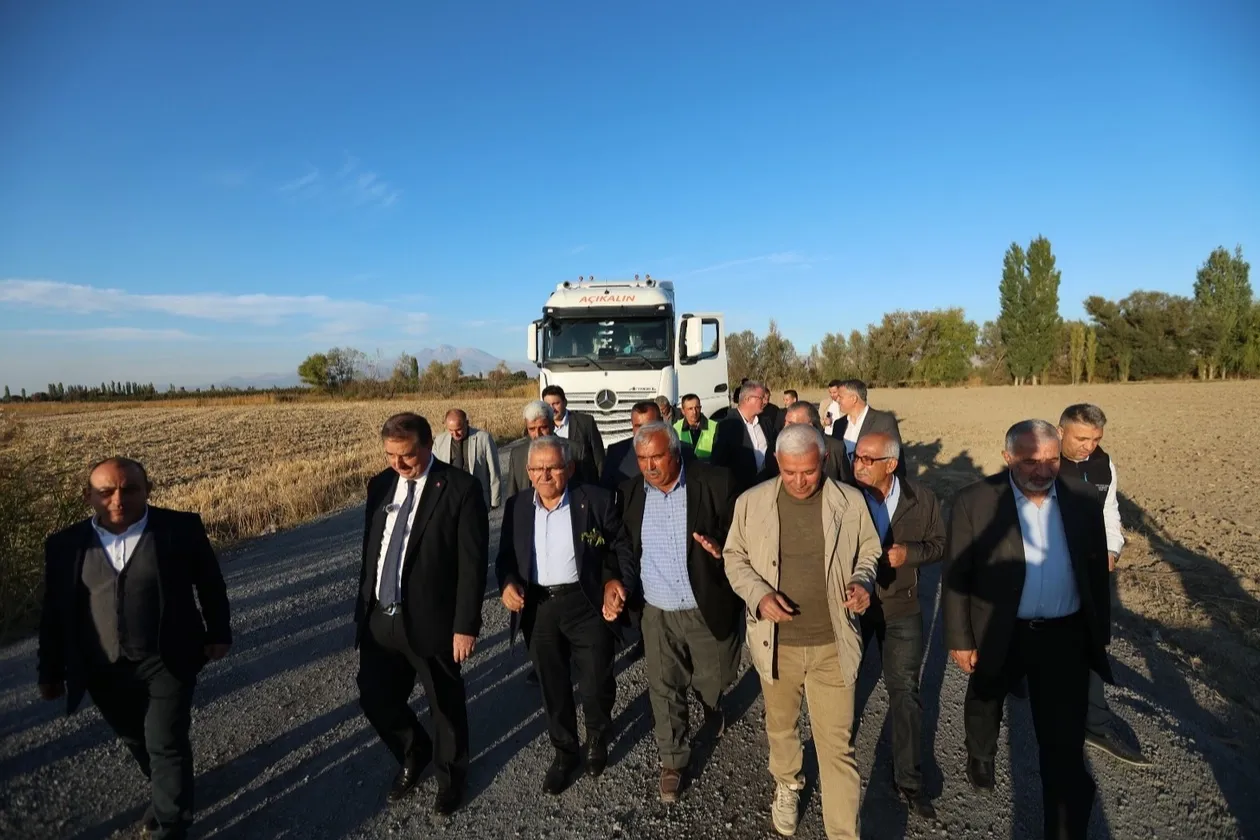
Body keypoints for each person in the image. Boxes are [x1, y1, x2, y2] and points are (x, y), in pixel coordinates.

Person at [37, 457, 231, 840]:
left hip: (167, 659)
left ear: (148, 491)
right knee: (135, 739)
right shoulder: (64, 545)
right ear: (88, 496)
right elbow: (54, 613)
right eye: (106, 492)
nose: (118, 500)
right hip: (101, 667)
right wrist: (50, 670)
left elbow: (210, 583)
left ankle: (172, 825)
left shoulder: (179, 529)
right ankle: (168, 791)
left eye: (129, 489)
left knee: (165, 740)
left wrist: (218, 632)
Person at [944, 420, 1112, 840]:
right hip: (1001, 629)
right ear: (1007, 458)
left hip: (1064, 638)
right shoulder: (974, 502)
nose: (1042, 470)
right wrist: (961, 638)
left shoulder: (1083, 499)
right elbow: (957, 573)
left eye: (1051, 460)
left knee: (1062, 748)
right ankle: (981, 751)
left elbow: (1095, 573)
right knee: (985, 696)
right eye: (1030, 461)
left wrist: (1099, 633)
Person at [723, 424, 881, 840]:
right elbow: (734, 557)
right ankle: (789, 783)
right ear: (777, 461)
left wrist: (862, 581)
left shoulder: (849, 501)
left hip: (833, 646)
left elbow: (869, 550)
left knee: (838, 747)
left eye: (808, 471)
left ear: (824, 460)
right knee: (781, 728)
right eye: (789, 471)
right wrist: (759, 595)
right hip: (777, 646)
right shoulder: (751, 503)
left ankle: (843, 833)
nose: (799, 481)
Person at [354, 413, 488, 815]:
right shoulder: (380, 485)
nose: (398, 464)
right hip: (381, 616)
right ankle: (415, 751)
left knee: (444, 704)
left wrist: (465, 625)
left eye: (407, 455)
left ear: (428, 445)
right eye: (390, 455)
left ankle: (451, 777)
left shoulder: (460, 488)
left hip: (433, 620)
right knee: (375, 697)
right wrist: (364, 607)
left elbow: (472, 565)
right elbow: (373, 550)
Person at [604, 422, 741, 803]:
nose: (649, 466)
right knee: (664, 686)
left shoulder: (714, 483)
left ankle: (710, 701)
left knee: (717, 676)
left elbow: (742, 532)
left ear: (676, 454)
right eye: (642, 458)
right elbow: (621, 548)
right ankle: (673, 759)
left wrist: (722, 549)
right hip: (657, 610)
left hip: (704, 606)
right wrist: (614, 581)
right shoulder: (630, 494)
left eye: (657, 457)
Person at [495, 437, 624, 794]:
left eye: (552, 467)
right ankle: (565, 753)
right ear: (528, 471)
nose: (545, 475)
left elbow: (617, 547)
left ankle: (597, 736)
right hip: (539, 606)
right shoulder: (517, 506)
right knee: (552, 685)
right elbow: (505, 558)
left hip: (585, 603)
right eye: (537, 468)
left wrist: (612, 579)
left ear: (569, 468)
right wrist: (507, 583)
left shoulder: (594, 499)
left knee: (596, 680)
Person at [851, 432, 944, 820]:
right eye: (856, 457)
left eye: (867, 459)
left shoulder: (922, 499)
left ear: (890, 464)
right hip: (854, 607)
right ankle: (833, 753)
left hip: (901, 608)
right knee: (842, 682)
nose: (858, 465)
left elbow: (940, 544)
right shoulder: (846, 496)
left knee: (905, 692)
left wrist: (911, 553)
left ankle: (908, 780)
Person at [1057, 403, 1149, 766]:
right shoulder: (1042, 461)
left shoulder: (1103, 464)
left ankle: (1094, 723)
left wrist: (1113, 548)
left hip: (1092, 568)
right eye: (1081, 438)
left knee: (1091, 642)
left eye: (1095, 439)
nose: (1088, 446)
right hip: (1048, 568)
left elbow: (1109, 511)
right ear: (1060, 431)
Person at [759, 401, 853, 485]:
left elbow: (846, 484)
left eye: (791, 423)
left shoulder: (835, 448)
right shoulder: (775, 448)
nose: (785, 427)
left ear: (809, 426)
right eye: (785, 422)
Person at [829, 380, 906, 478]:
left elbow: (897, 461)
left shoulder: (884, 422)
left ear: (853, 399)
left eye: (841, 397)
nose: (837, 400)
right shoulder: (838, 424)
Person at [711, 380, 776, 492]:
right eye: (761, 398)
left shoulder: (766, 422)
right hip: (741, 491)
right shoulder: (727, 426)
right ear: (747, 399)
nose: (765, 401)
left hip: (767, 487)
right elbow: (719, 463)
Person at [432, 408, 502, 511]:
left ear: (467, 423)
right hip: (450, 499)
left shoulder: (483, 438)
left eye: (458, 429)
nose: (455, 434)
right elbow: (434, 472)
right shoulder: (439, 441)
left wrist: (495, 500)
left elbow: (494, 470)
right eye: (451, 430)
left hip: (475, 497)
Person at [541, 385, 605, 484]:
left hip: (583, 483)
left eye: (556, 403)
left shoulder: (586, 422)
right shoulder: (541, 427)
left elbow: (599, 458)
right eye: (548, 405)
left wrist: (601, 484)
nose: (552, 409)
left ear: (565, 402)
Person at [601, 401, 662, 491]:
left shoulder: (680, 450)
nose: (643, 431)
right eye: (638, 426)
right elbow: (605, 492)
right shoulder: (616, 454)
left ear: (661, 422)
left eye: (648, 426)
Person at [506, 400, 555, 498]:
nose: (537, 434)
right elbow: (512, 496)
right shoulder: (517, 455)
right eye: (532, 429)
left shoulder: (573, 451)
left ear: (552, 425)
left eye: (543, 427)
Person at [675, 393, 719, 462]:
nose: (694, 412)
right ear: (683, 411)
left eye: (697, 407)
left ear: (700, 408)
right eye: (690, 409)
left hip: (707, 467)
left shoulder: (714, 426)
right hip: (687, 467)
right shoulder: (676, 427)